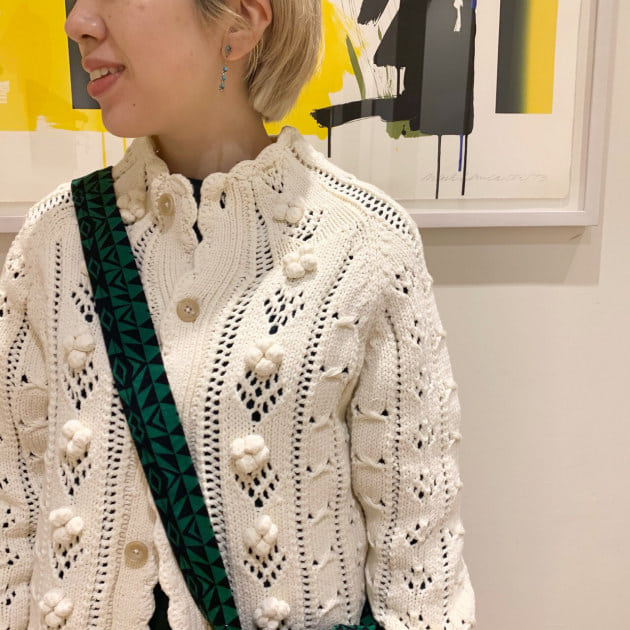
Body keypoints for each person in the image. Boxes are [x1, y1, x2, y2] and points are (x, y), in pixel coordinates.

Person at [0, 0, 475, 628]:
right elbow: (13, 514)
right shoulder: (54, 243)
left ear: (242, 22)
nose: (77, 23)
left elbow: (420, 570)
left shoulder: (366, 245)